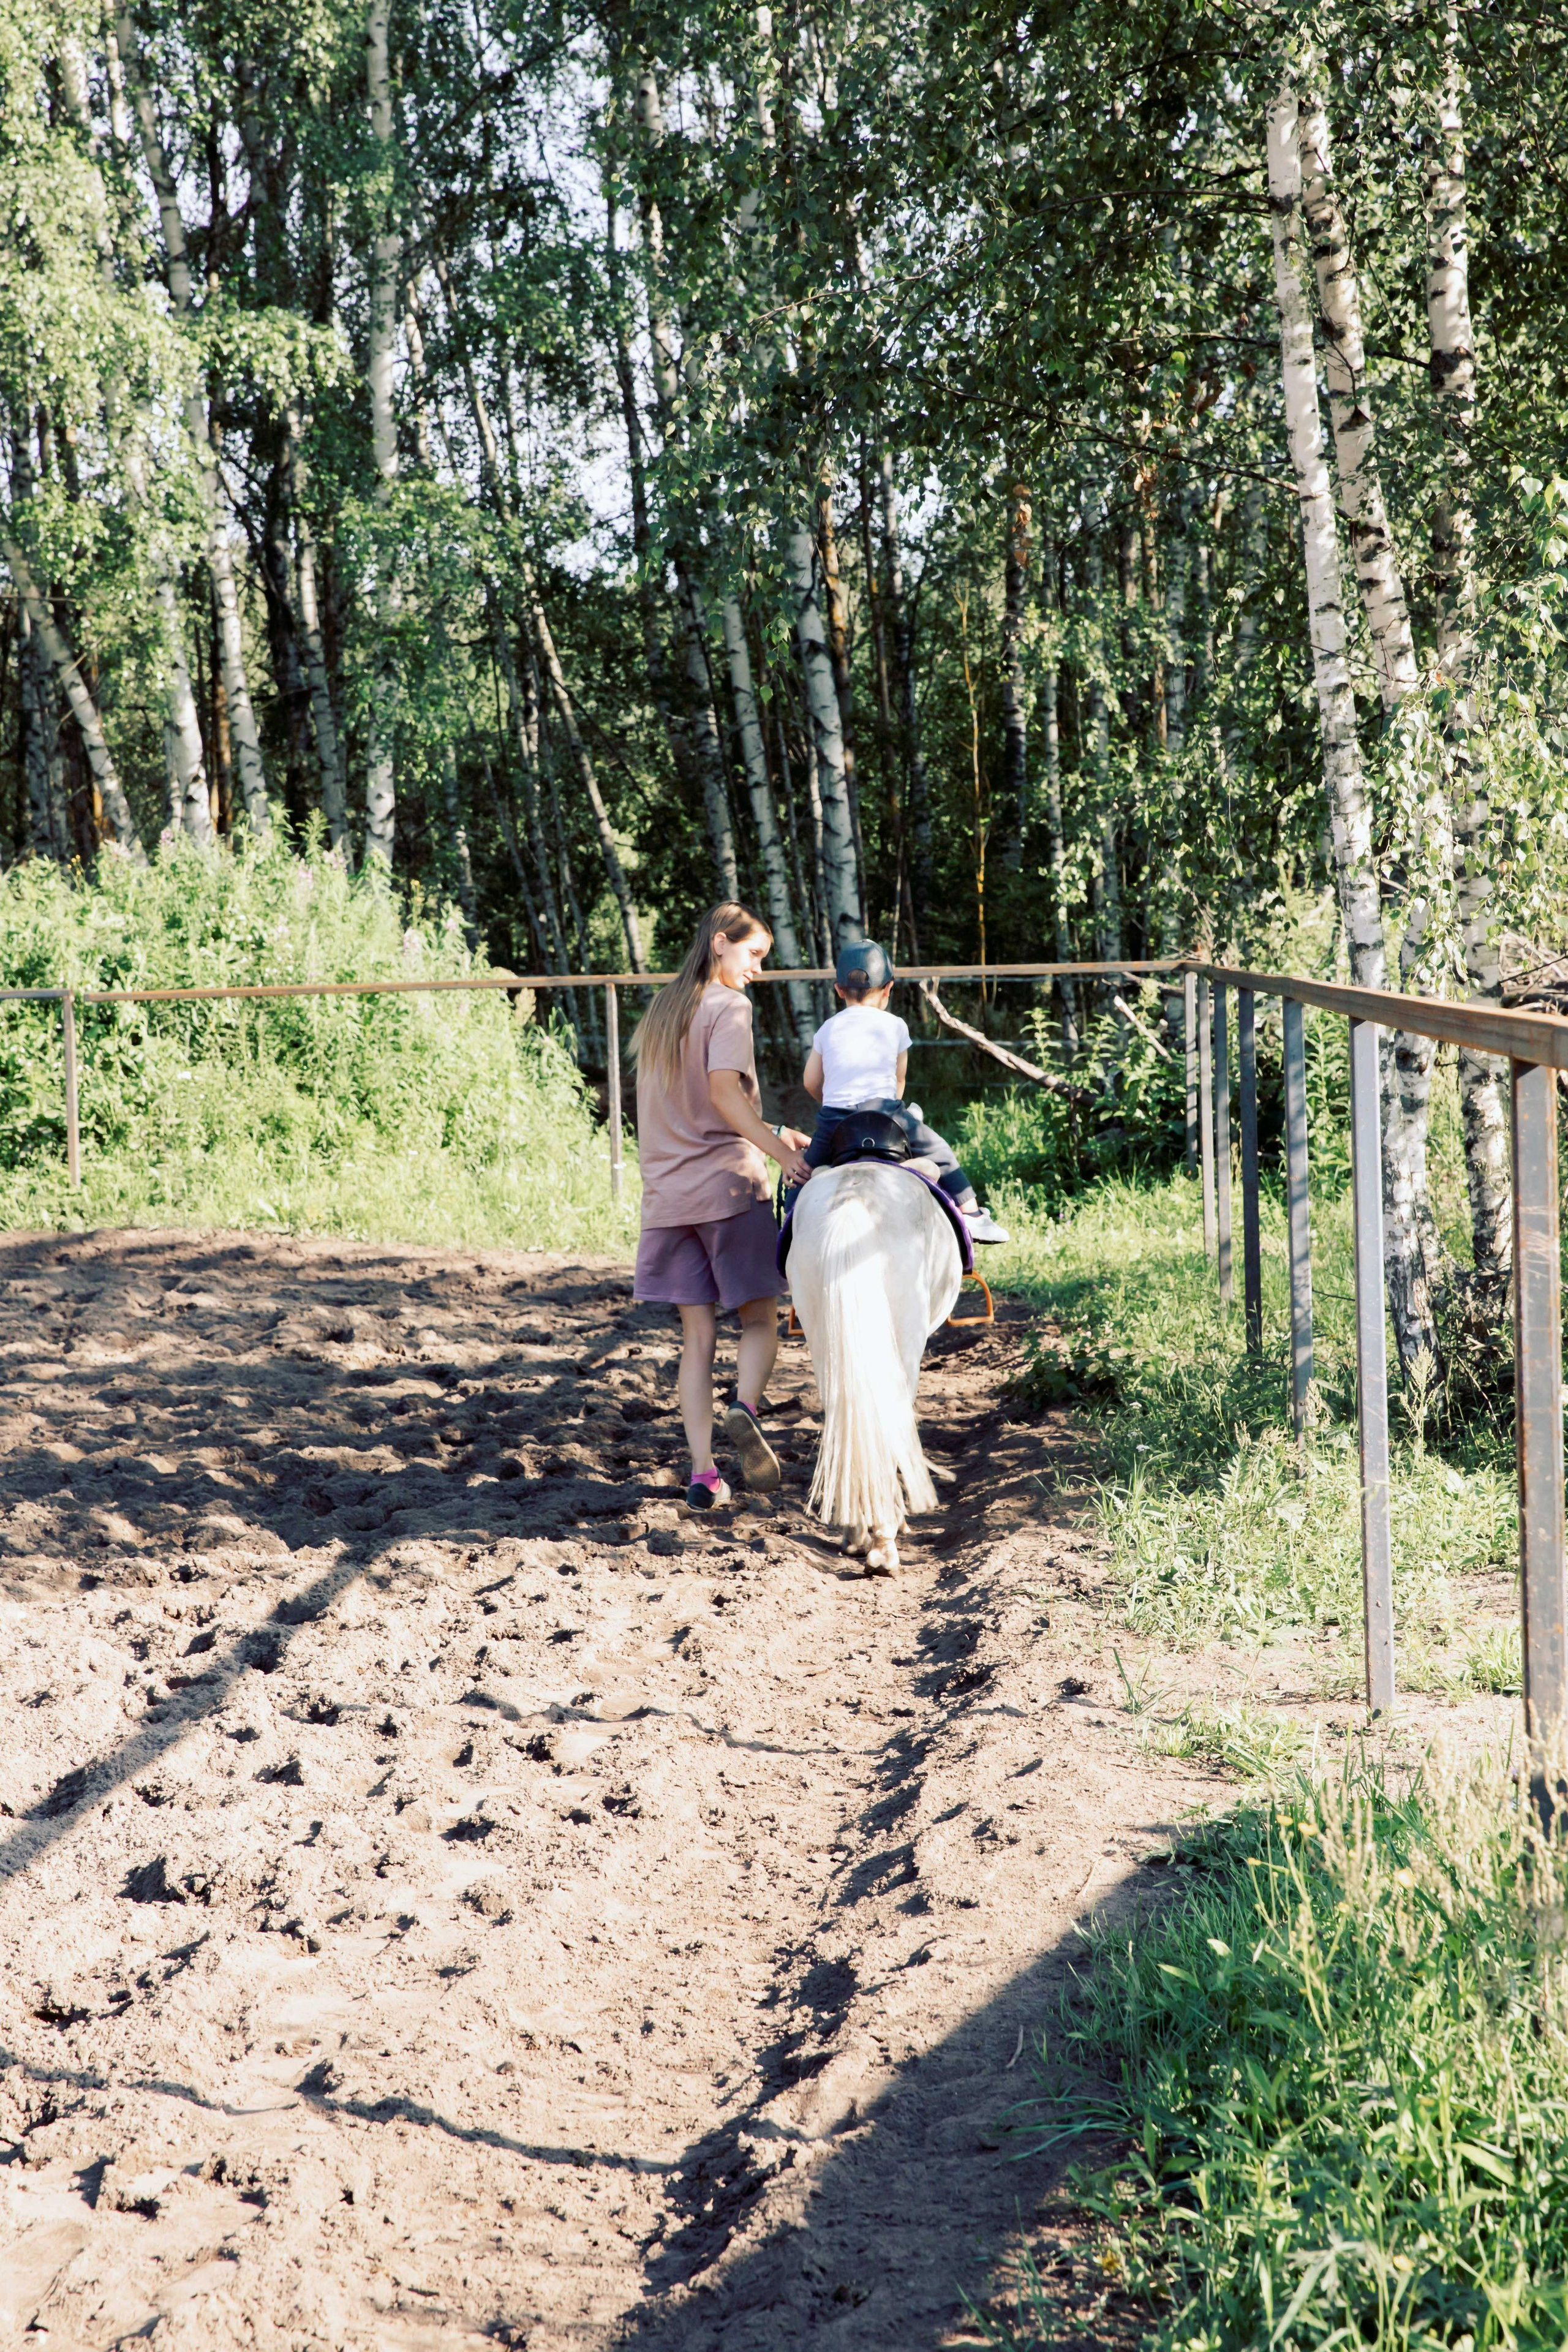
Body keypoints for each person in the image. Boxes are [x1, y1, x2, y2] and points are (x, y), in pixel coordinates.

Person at [631, 903, 813, 1513]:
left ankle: (704, 1474)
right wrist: (780, 1155)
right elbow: (722, 1095)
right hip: (727, 1190)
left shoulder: (662, 1010)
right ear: (719, 944)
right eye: (754, 954)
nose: (758, 969)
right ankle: (745, 1408)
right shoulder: (729, 1007)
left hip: (667, 1197)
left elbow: (694, 1108)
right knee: (760, 1319)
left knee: (697, 1337)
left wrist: (771, 1130)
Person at [792, 942, 1010, 1243]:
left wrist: (834, 1104)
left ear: (838, 990)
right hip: (887, 1115)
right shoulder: (895, 1025)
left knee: (802, 1175)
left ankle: (789, 1231)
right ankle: (972, 1216)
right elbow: (899, 1080)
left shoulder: (827, 1028)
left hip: (835, 1122)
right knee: (942, 1154)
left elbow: (810, 1082)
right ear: (888, 988)